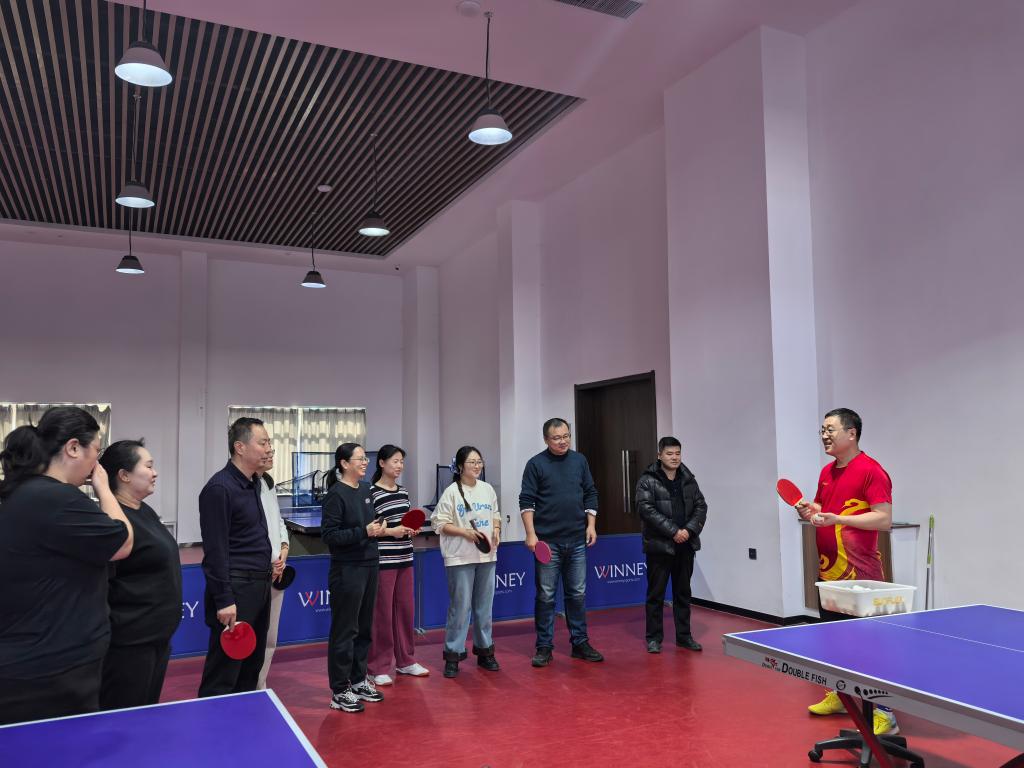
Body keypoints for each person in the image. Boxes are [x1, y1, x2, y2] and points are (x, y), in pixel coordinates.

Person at [0, 407, 133, 724]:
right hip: (52, 669)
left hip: (35, 660)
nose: (97, 464)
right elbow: (123, 542)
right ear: (73, 448)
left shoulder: (26, 493)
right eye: (96, 452)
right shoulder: (56, 499)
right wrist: (103, 487)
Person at [795, 408, 899, 737]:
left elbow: (883, 519)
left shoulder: (872, 471)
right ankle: (840, 697)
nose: (824, 435)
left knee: (869, 649)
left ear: (851, 433)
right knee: (833, 642)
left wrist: (838, 519)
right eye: (822, 430)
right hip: (829, 575)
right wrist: (812, 510)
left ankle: (884, 713)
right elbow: (824, 510)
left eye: (830, 429)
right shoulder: (827, 472)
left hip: (862, 577)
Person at [98, 439, 182, 709]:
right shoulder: (113, 521)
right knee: (123, 718)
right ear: (124, 475)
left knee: (145, 713)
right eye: (148, 466)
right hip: (130, 644)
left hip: (157, 638)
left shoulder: (145, 510)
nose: (155, 473)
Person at [197, 417, 274, 698]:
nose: (268, 448)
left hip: (259, 586)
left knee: (251, 666)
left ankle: (242, 720)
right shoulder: (220, 489)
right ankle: (213, 722)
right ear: (240, 447)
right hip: (237, 589)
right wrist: (224, 599)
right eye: (262, 442)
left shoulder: (254, 483)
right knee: (224, 671)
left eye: (269, 442)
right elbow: (215, 550)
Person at [519, 418, 603, 667]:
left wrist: (591, 525)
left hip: (577, 540)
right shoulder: (535, 464)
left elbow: (590, 492)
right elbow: (526, 500)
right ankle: (544, 646)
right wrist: (531, 534)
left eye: (566, 436)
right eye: (557, 438)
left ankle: (580, 643)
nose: (563, 441)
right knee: (546, 596)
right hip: (547, 542)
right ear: (546, 439)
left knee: (577, 595)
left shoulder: (579, 461)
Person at [322, 442, 387, 713]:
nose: (365, 463)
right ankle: (339, 690)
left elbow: (370, 523)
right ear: (344, 463)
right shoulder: (335, 495)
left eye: (365, 458)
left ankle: (359, 680)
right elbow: (330, 536)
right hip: (347, 569)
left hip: (370, 564)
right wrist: (364, 532)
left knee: (364, 628)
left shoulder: (366, 489)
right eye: (359, 459)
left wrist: (381, 528)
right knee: (345, 630)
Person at [431, 446, 501, 678]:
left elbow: (495, 514)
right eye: (472, 462)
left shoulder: (487, 489)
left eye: (479, 461)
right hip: (460, 557)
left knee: (484, 608)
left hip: (487, 556)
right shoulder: (451, 492)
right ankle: (453, 654)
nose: (477, 466)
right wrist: (465, 532)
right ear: (460, 466)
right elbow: (439, 523)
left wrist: (497, 530)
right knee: (460, 608)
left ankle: (485, 651)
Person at [635, 436, 708, 654]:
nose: (674, 457)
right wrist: (674, 531)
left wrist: (688, 531)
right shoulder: (647, 480)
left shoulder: (688, 479)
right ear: (659, 455)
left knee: (683, 593)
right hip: (659, 547)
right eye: (669, 454)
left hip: (686, 546)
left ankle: (684, 636)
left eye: (677, 453)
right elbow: (646, 510)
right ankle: (654, 638)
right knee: (655, 595)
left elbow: (701, 506)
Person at [367, 445, 429, 686]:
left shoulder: (403, 492)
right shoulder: (371, 493)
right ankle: (377, 667)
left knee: (405, 611)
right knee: (382, 614)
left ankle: (406, 661)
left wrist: (411, 530)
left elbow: (404, 522)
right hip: (384, 560)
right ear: (382, 463)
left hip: (405, 558)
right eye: (395, 461)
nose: (400, 465)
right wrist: (393, 531)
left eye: (402, 461)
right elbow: (373, 529)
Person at [256, 447, 290, 690]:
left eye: (271, 447)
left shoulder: (268, 483)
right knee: (252, 635)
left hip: (277, 570)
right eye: (263, 445)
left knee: (270, 636)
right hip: (254, 573)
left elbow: (277, 521)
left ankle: (260, 683)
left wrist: (284, 548)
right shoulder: (234, 487)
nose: (270, 452)